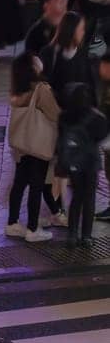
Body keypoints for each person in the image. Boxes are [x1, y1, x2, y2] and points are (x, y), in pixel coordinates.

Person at [4, 50, 61, 243]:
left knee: (19, 182)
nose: (39, 60)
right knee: (37, 185)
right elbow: (55, 114)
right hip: (38, 144)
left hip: (22, 144)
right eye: (35, 60)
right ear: (32, 67)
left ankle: (12, 223)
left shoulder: (17, 90)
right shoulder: (41, 89)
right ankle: (32, 228)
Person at [57, 82, 108, 247]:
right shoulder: (95, 117)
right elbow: (103, 136)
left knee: (77, 197)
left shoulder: (64, 117)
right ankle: (86, 236)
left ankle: (72, 235)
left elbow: (61, 139)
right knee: (89, 198)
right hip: (91, 162)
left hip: (73, 163)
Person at [39, 11, 92, 104]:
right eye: (81, 29)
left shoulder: (83, 54)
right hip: (53, 111)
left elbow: (90, 85)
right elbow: (42, 85)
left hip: (78, 112)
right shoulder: (48, 53)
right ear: (71, 31)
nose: (83, 33)